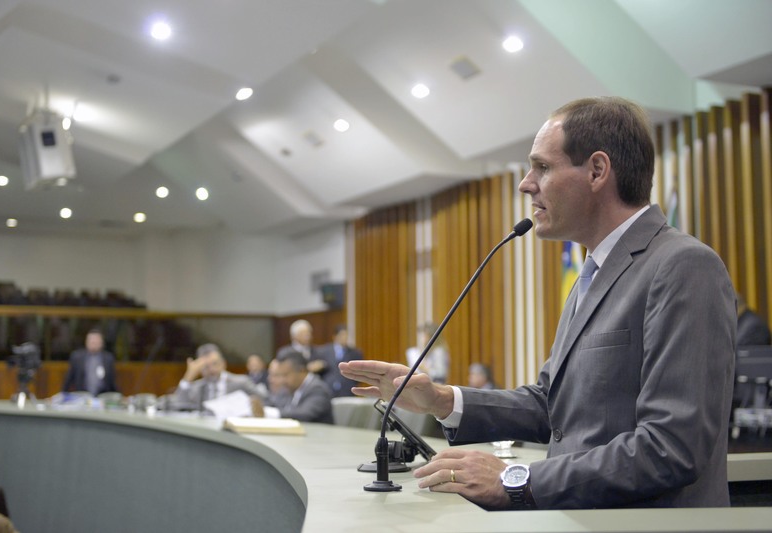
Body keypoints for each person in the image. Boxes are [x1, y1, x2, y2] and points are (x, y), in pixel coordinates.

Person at [340, 97, 736, 510]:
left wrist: (518, 478)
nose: (526, 184)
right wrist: (442, 400)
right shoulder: (593, 274)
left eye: (543, 167)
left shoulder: (683, 266)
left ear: (597, 171)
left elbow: (672, 446)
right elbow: (552, 406)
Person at [171, 343, 265, 413]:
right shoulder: (198, 387)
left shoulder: (241, 382)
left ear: (223, 363)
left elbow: (266, 401)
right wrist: (188, 377)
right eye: (206, 367)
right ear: (200, 369)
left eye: (215, 364)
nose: (212, 370)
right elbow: (177, 404)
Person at [268, 351, 333, 424]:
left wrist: (273, 413)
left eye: (286, 375)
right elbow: (274, 404)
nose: (283, 380)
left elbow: (305, 414)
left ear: (302, 371)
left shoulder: (318, 389)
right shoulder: (288, 389)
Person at [61, 329, 118, 395]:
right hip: (82, 395)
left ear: (102, 343)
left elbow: (112, 382)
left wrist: (118, 395)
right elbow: (69, 379)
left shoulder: (108, 358)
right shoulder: (77, 357)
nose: (93, 343)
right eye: (91, 340)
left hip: (102, 396)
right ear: (86, 342)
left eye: (96, 341)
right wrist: (63, 394)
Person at [312, 325, 364, 397]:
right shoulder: (323, 351)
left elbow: (359, 374)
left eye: (346, 335)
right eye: (342, 335)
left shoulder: (355, 353)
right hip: (327, 391)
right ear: (335, 336)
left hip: (347, 392)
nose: (344, 337)